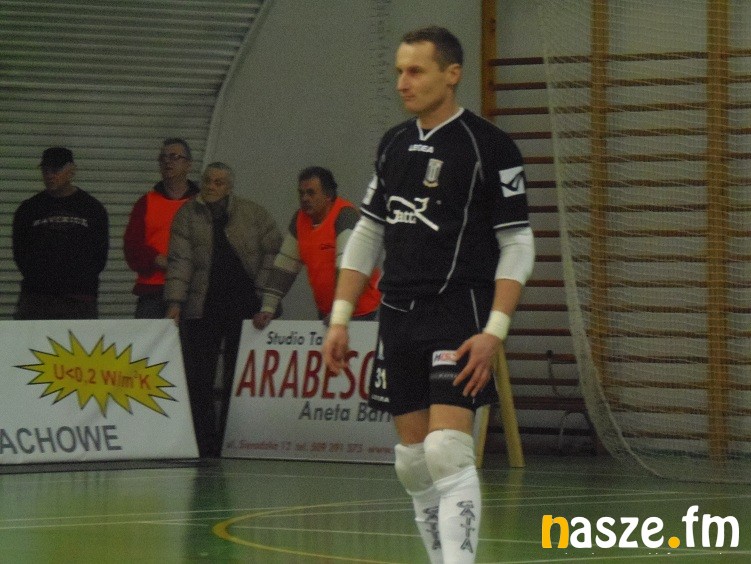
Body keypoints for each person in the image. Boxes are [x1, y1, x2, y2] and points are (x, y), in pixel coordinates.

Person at [322, 26, 535, 563]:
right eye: (399, 71)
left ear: (452, 74)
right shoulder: (393, 144)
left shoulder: (490, 146)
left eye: (415, 71)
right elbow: (369, 231)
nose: (403, 82)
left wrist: (494, 330)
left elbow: (517, 243)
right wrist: (340, 318)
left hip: (457, 311)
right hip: (397, 315)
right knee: (413, 462)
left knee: (445, 451)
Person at [165, 162, 282, 458]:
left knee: (238, 378)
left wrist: (264, 295)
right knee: (199, 378)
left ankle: (233, 441)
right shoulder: (187, 215)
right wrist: (175, 302)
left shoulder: (253, 214)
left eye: (218, 182)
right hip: (202, 307)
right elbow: (180, 262)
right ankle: (203, 443)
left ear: (230, 187)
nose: (211, 187)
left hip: (244, 306)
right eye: (207, 180)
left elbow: (274, 252)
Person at [254, 166, 380, 329]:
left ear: (328, 195)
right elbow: (284, 267)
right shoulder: (300, 220)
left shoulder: (345, 216)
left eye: (311, 193)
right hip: (329, 311)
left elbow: (348, 269)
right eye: (301, 193)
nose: (304, 198)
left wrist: (340, 311)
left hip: (362, 311)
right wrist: (268, 309)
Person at [12, 147, 109, 320]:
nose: (49, 175)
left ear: (71, 170)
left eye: (56, 170)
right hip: (37, 298)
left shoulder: (92, 208)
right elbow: (20, 252)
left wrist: (78, 282)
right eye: (45, 170)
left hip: (79, 299)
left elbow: (99, 254)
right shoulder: (29, 209)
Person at [123, 138, 200, 318]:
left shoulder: (201, 203)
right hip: (153, 290)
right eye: (163, 157)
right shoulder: (146, 202)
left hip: (192, 288)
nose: (167, 161)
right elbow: (132, 245)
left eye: (174, 157)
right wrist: (158, 260)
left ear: (188, 164)